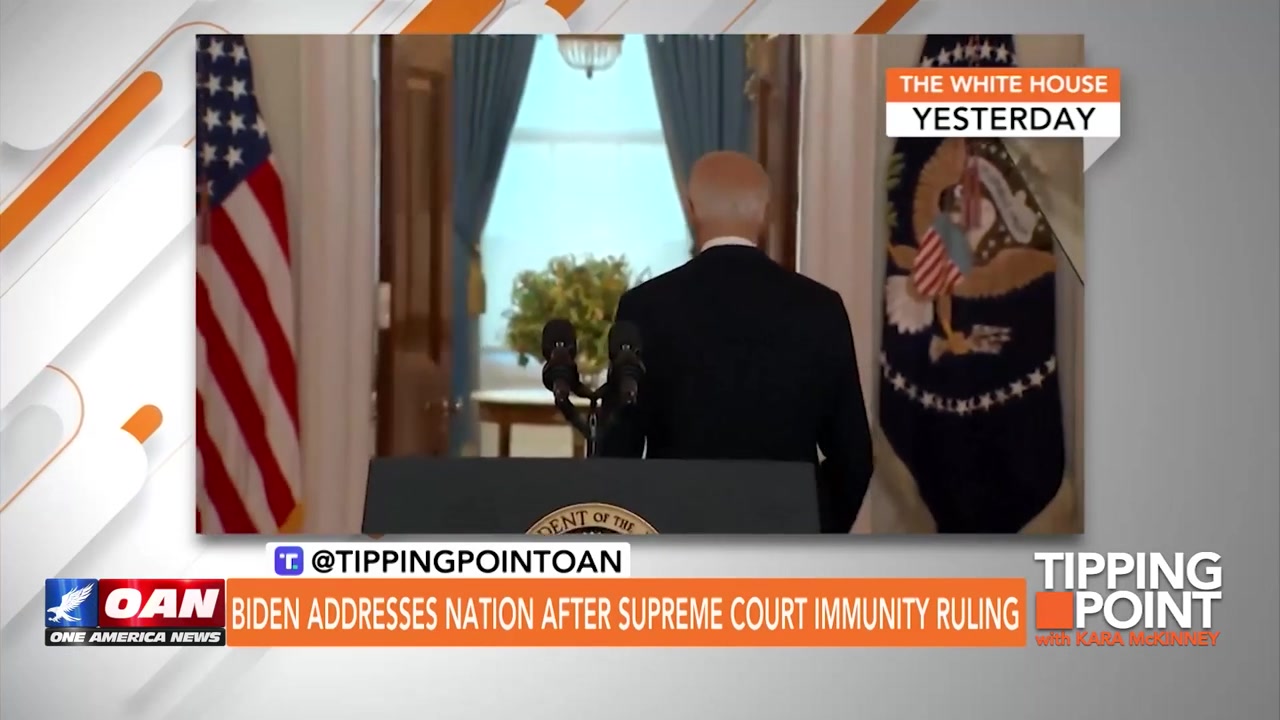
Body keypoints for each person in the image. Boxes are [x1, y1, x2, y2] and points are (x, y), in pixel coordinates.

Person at [598, 151, 873, 533]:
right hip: (789, 538)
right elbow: (854, 457)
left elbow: (616, 452)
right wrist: (816, 528)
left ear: (690, 208)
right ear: (766, 212)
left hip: (675, 536)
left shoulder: (644, 306)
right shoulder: (821, 307)